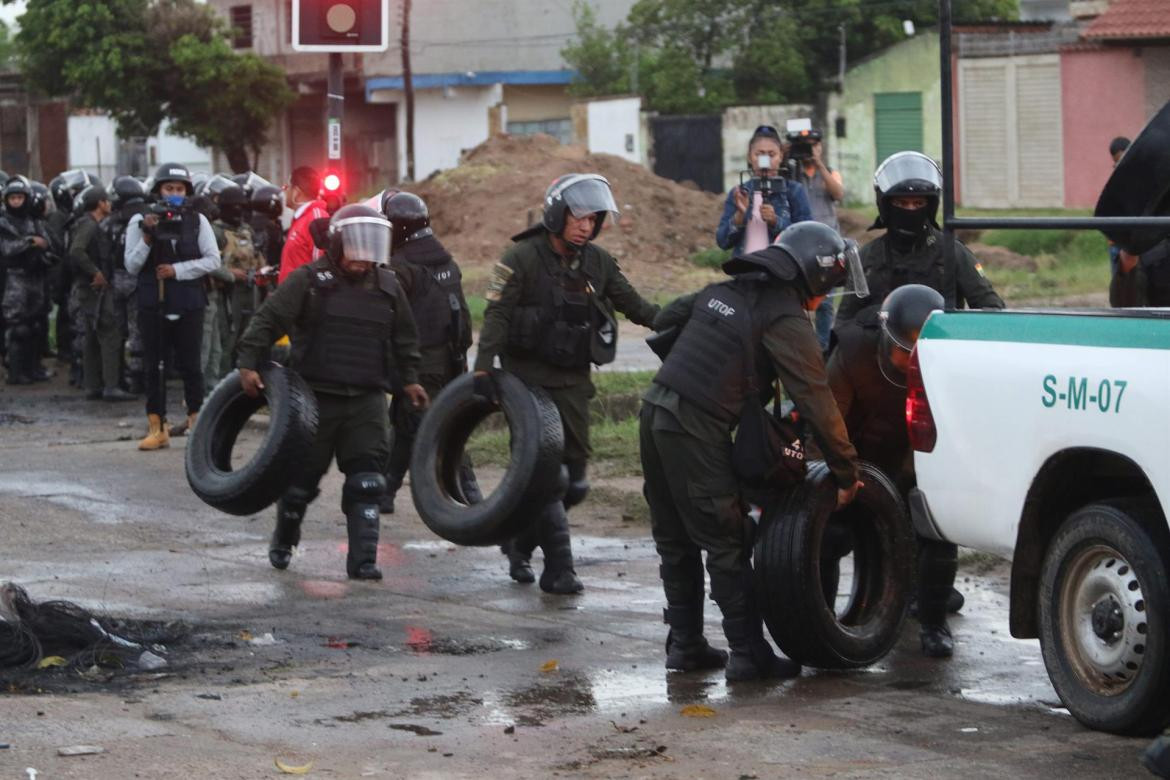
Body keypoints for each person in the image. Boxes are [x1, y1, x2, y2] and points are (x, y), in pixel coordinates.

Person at [642, 221, 865, 681]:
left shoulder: (724, 289)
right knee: (725, 537)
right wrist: (846, 472)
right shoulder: (784, 315)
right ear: (813, 276)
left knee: (675, 536)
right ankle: (748, 654)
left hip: (656, 410)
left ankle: (685, 645)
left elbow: (666, 322)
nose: (824, 300)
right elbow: (816, 399)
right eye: (828, 288)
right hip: (695, 425)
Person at [475, 173, 660, 594]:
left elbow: (637, 307)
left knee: (574, 482)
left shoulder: (598, 262)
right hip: (527, 384)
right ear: (558, 214)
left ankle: (519, 543)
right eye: (579, 216)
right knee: (548, 479)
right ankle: (559, 570)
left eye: (593, 219)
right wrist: (484, 368)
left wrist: (684, 319)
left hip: (574, 382)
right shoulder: (519, 258)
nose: (586, 225)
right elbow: (497, 315)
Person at [235, 204, 428, 580]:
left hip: (367, 399)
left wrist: (410, 380)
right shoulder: (309, 280)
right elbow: (269, 319)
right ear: (338, 243)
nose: (363, 256)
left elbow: (405, 340)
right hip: (315, 400)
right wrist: (247, 362)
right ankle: (284, 540)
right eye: (356, 245)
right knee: (300, 483)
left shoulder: (388, 286)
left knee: (368, 482)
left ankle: (363, 561)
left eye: (371, 246)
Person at [826, 283, 959, 657]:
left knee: (937, 535)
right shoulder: (851, 354)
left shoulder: (947, 365)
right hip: (857, 460)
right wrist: (842, 475)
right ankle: (823, 613)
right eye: (905, 352)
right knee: (830, 534)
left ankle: (933, 623)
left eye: (920, 353)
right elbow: (827, 422)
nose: (911, 362)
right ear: (886, 339)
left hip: (914, 461)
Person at [378, 190, 480, 514]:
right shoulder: (446, 262)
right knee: (408, 423)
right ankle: (385, 492)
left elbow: (388, 318)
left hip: (420, 364)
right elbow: (461, 315)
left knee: (443, 426)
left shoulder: (401, 268)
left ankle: (471, 494)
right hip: (452, 360)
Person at [836, 151, 1004, 325]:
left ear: (929, 206)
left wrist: (956, 325)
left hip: (937, 343)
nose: (910, 210)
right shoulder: (867, 256)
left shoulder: (951, 252)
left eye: (918, 203)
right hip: (882, 348)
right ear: (886, 205)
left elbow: (991, 307)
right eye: (901, 203)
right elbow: (844, 322)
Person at [123, 163, 222, 450]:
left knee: (191, 364)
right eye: (169, 189)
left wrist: (177, 270)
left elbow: (212, 260)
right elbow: (131, 264)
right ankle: (158, 424)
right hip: (153, 303)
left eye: (179, 189)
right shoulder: (140, 220)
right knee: (154, 365)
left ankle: (196, 420)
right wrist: (146, 238)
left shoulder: (198, 220)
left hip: (189, 301)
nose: (174, 195)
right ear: (158, 190)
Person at [68, 185, 135, 401]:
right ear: (100, 204)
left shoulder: (85, 223)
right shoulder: (89, 225)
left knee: (91, 337)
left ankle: (93, 385)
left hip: (88, 289)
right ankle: (111, 386)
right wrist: (95, 272)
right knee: (109, 334)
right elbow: (77, 250)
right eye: (106, 201)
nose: (109, 204)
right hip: (95, 290)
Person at [716, 125, 813, 256]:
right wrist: (739, 217)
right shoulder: (739, 193)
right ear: (750, 157)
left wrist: (776, 221)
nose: (765, 161)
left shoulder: (794, 191)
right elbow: (722, 241)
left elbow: (806, 237)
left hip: (782, 271)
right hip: (745, 271)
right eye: (759, 154)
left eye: (771, 155)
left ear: (781, 156)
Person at [789, 127, 845, 351]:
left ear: (820, 147)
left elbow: (838, 193)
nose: (809, 150)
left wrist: (819, 164)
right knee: (798, 301)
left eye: (813, 145)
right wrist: (786, 157)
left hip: (828, 245)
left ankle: (822, 350)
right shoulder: (791, 174)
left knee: (826, 302)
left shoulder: (830, 172)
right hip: (799, 245)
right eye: (804, 146)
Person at [1, 177, 55, 384]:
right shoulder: (3, 222)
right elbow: (7, 248)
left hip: (36, 277)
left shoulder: (33, 220)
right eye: (12, 198)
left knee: (36, 325)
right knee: (18, 328)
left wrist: (42, 249)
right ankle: (16, 372)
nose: (16, 202)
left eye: (19, 197)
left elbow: (47, 243)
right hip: (15, 278)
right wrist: (30, 241)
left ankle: (33, 368)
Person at [105, 176, 150, 394]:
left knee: (118, 331)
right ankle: (137, 379)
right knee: (138, 331)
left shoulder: (110, 221)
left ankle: (120, 378)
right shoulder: (146, 216)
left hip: (116, 280)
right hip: (138, 279)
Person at [277, 167, 328, 284]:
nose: (284, 191)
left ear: (296, 192)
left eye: (286, 187)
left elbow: (321, 266)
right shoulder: (300, 219)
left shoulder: (316, 218)